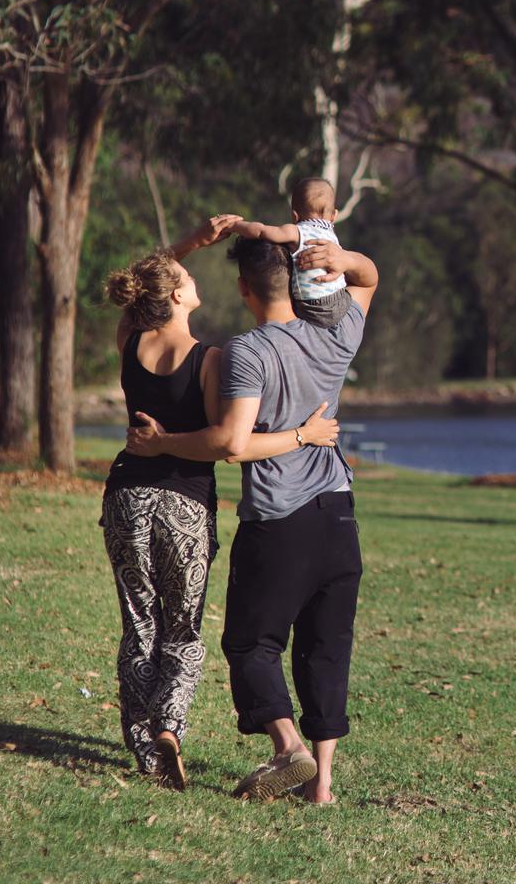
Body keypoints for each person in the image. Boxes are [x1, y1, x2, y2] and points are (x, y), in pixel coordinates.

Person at [126, 232, 379, 803]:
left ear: (244, 289)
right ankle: (324, 786)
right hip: (339, 516)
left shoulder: (248, 352)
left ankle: (287, 747)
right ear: (293, 281)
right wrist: (340, 259)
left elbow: (231, 443)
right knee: (326, 647)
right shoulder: (337, 334)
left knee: (250, 644)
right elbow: (367, 278)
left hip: (278, 521)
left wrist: (165, 442)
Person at [228, 177, 351, 328]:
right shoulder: (331, 236)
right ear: (334, 216)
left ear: (295, 216)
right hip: (341, 301)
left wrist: (234, 225)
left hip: (311, 307)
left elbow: (261, 231)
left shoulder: (297, 231)